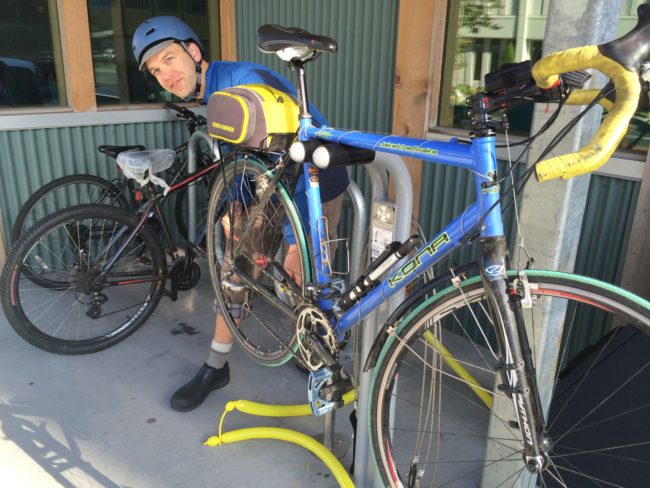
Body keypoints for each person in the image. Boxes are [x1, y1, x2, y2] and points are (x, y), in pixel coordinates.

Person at [132, 16, 349, 411]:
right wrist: (235, 206)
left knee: (305, 278)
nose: (166, 73)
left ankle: (313, 355)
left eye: (169, 58)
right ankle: (216, 366)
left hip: (315, 181)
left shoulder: (243, 81)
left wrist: (291, 240)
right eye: (156, 69)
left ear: (193, 52)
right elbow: (240, 157)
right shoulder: (213, 93)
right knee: (234, 268)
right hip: (269, 181)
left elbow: (298, 157)